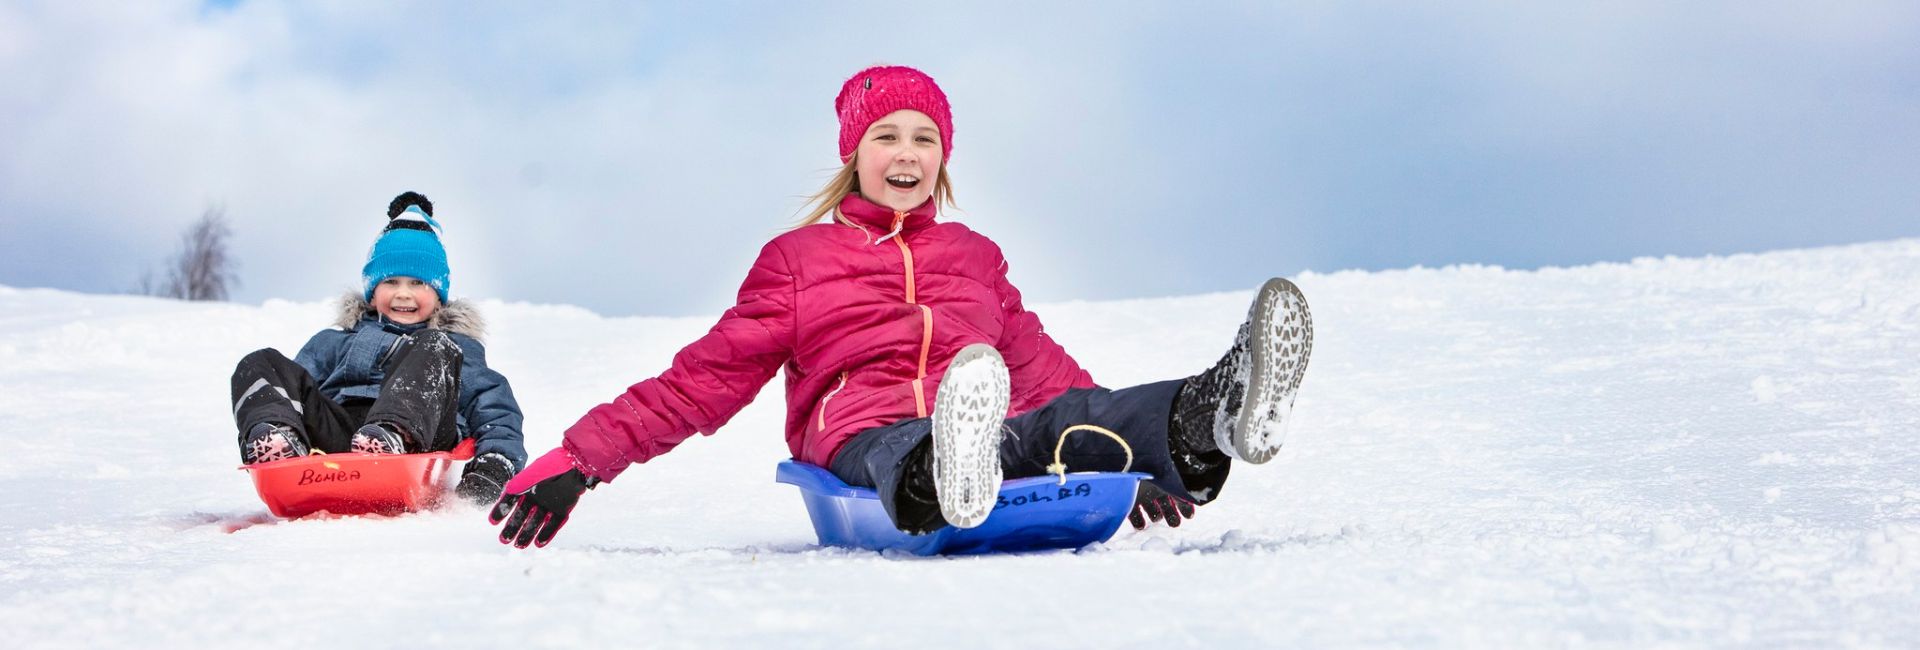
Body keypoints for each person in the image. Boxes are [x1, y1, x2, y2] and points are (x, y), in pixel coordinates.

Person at [489, 66, 1312, 548]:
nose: (907, 153)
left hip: (992, 423)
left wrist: (1133, 461)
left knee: (1069, 418)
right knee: (917, 440)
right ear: (855, 156)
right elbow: (699, 382)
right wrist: (580, 459)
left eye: (924, 138)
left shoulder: (973, 258)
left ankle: (1214, 409)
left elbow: (1042, 370)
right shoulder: (798, 261)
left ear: (942, 157)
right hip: (865, 440)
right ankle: (945, 469)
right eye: (887, 137)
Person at [229, 191, 528, 505]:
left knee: (432, 344)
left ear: (439, 295)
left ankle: (392, 435)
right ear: (371, 293)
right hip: (340, 433)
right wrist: (285, 415)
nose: (403, 294)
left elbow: (493, 404)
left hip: (419, 439)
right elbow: (296, 388)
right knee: (260, 362)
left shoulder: (450, 347)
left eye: (418, 283)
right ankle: (276, 441)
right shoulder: (333, 341)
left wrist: (495, 462)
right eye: (390, 282)